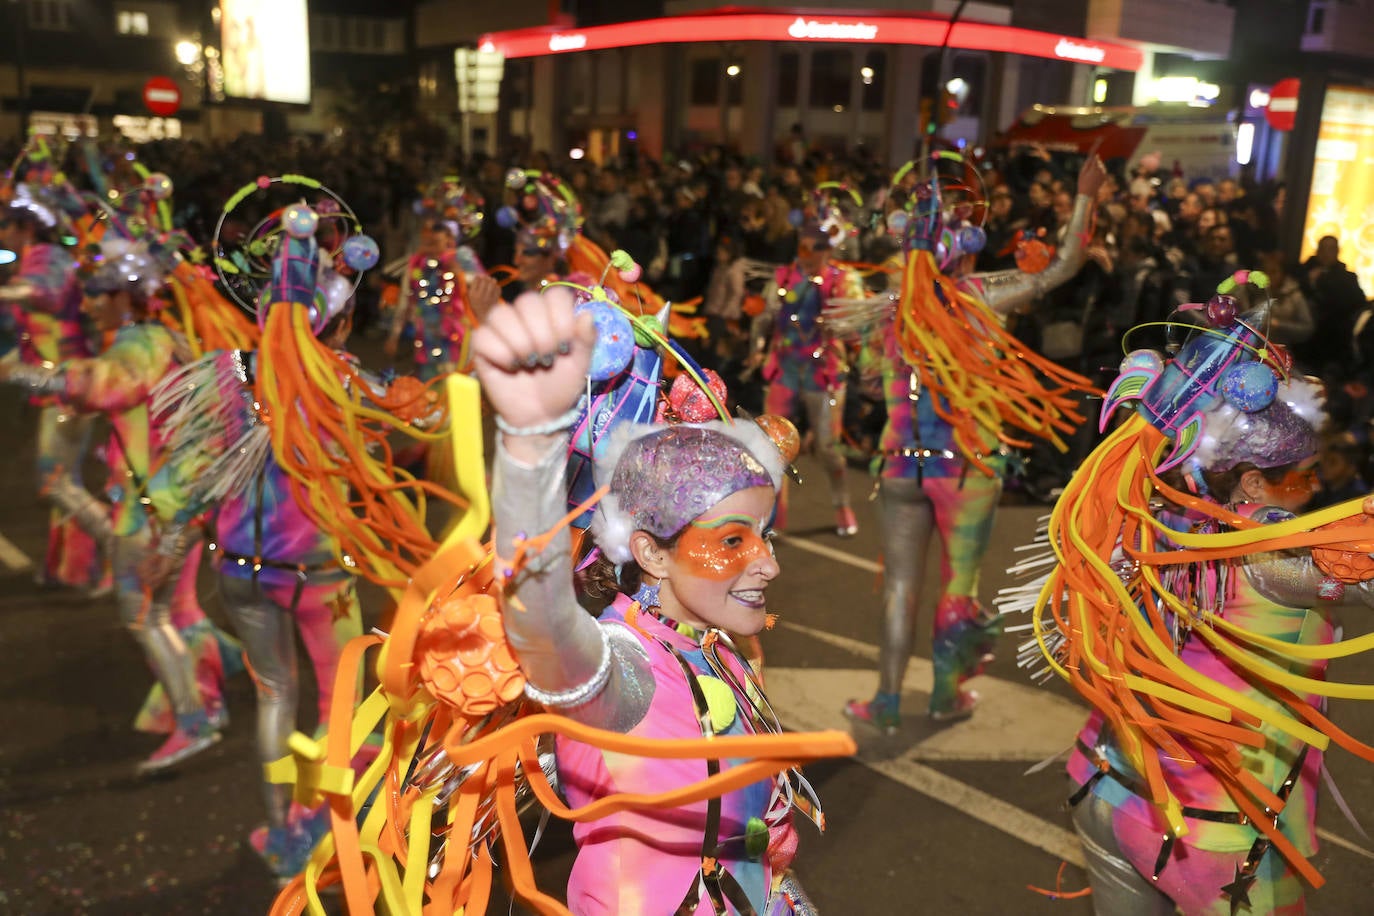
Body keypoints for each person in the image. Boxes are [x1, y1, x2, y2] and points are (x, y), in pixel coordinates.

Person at [472, 284, 842, 913]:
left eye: (766, 536)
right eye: (732, 540)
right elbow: (541, 620)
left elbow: (756, 847)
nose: (770, 563)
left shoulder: (709, 648)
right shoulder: (620, 671)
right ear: (650, 553)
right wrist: (530, 445)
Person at [1011, 287, 1374, 914]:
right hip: (1209, 837)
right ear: (1253, 482)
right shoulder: (1269, 558)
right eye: (1302, 476)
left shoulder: (1142, 525)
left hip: (1105, 789)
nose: (1314, 489)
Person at [843, 153, 1105, 727]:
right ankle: (944, 694)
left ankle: (886, 700)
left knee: (899, 588)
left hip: (899, 465)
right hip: (966, 466)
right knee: (958, 585)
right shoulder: (983, 294)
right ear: (963, 243)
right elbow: (1063, 265)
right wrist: (1085, 195)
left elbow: (864, 376)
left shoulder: (887, 309)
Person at [0, 237, 220, 773]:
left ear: (128, 294)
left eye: (101, 292)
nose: (91, 302)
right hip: (175, 503)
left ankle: (197, 721)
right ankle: (199, 703)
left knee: (145, 613)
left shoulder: (140, 345)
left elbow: (97, 387)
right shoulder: (164, 338)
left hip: (154, 509)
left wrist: (16, 372)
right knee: (161, 610)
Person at [0, 184, 103, 590]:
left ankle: (118, 552)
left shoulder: (49, 257)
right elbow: (28, 331)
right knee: (63, 480)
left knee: (56, 482)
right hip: (52, 379)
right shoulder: (29, 260)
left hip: (68, 384)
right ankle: (77, 567)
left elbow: (43, 295)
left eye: (6, 225)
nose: (2, 233)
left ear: (26, 227)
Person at [749, 225, 866, 536]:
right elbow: (764, 318)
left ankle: (842, 506)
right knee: (772, 443)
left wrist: (837, 323)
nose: (805, 255)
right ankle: (774, 516)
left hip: (823, 371)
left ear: (826, 250)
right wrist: (756, 348)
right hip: (785, 367)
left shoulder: (844, 280)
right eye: (801, 247)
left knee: (828, 447)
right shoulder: (784, 277)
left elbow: (855, 328)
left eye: (812, 248)